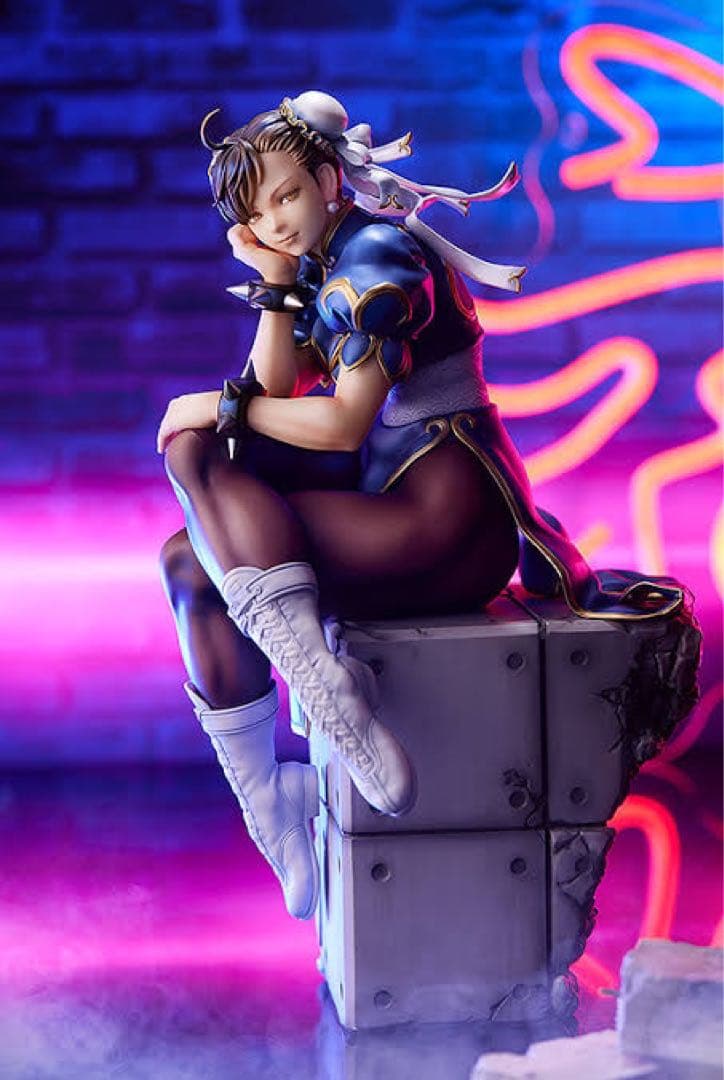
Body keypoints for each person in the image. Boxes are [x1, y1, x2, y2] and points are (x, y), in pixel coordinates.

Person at [156, 92, 688, 922]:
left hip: (447, 520)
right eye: (257, 213)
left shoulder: (377, 258)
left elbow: (339, 424)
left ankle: (330, 701)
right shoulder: (323, 261)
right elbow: (277, 389)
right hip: (393, 497)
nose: (276, 221)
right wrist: (274, 285)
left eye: (287, 195)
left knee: (201, 447)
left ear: (329, 180)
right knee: (188, 553)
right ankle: (276, 809)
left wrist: (219, 407)